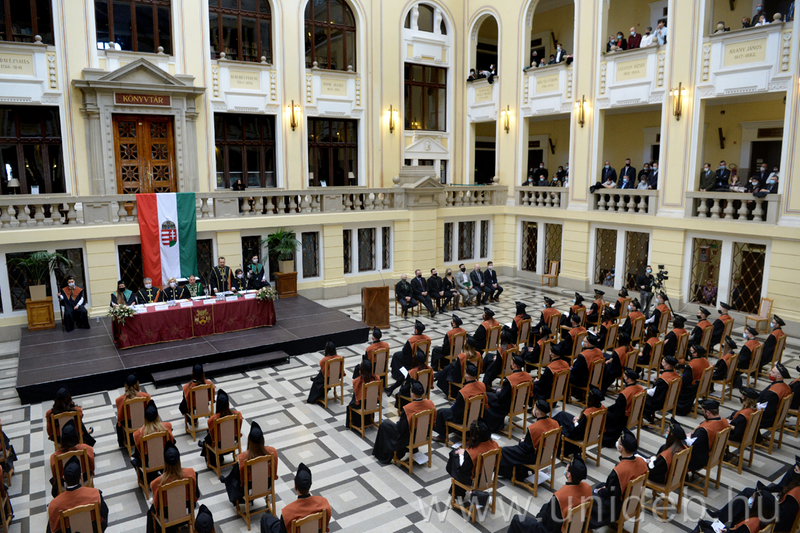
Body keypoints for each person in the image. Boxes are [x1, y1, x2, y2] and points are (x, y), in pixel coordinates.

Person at [507, 456, 592, 533]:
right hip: (577, 527)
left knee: (516, 520)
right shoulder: (587, 488)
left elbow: (548, 527)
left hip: (556, 530)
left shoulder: (560, 497)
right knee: (545, 507)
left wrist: (540, 519)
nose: (566, 468)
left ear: (569, 474)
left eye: (567, 467)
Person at [591, 428, 648, 528]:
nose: (617, 442)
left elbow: (612, 494)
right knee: (601, 485)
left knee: (589, 497)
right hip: (633, 501)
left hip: (618, 507)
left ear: (621, 448)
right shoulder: (642, 462)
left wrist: (601, 491)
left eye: (618, 441)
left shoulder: (619, 471)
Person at [372, 380, 435, 464]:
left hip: (409, 437)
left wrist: (398, 424)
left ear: (412, 393)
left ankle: (382, 454)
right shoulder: (430, 404)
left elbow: (401, 429)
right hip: (424, 434)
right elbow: (434, 420)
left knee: (384, 425)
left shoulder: (408, 408)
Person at [260, 463, 332, 533]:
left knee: (265, 518)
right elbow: (325, 525)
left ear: (295, 486)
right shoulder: (324, 503)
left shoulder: (287, 512)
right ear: (311, 483)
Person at [498, 400, 559, 479]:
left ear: (537, 413)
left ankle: (514, 474)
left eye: (534, 408)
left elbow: (526, 448)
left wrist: (522, 442)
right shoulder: (555, 423)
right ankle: (521, 472)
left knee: (505, 451)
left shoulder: (533, 429)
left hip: (534, 457)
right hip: (547, 455)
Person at [47, 456, 109, 533]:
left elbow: (52, 530)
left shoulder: (54, 505)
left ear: (64, 478)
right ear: (81, 476)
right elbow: (103, 521)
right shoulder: (95, 495)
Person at [223, 422, 278, 505]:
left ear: (249, 441)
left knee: (234, 480)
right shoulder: (272, 452)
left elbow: (241, 480)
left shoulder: (243, 457)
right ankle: (227, 479)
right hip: (267, 484)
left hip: (250, 488)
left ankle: (227, 480)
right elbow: (274, 472)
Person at [147, 443, 198, 533]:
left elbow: (156, 505)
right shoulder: (190, 474)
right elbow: (196, 496)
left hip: (167, 515)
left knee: (151, 511)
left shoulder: (157, 482)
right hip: (186, 510)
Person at [445, 420, 498, 506]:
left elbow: (464, 471)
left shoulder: (472, 453)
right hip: (487, 476)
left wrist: (462, 454)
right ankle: (457, 491)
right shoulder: (495, 445)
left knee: (454, 455)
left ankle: (457, 492)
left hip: (474, 480)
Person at [433, 362, 486, 442]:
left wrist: (451, 408)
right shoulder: (482, 385)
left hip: (464, 418)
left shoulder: (463, 392)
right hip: (477, 415)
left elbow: (456, 411)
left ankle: (442, 436)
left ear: (467, 376)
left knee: (441, 412)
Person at [553, 387, 606, 458]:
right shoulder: (602, 408)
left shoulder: (588, 413)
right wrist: (579, 419)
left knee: (561, 425)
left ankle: (564, 451)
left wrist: (575, 422)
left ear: (592, 400)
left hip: (581, 434)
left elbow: (577, 430)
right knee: (562, 414)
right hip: (591, 433)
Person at [484, 355, 532, 432]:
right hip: (521, 403)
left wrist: (498, 391)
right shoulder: (528, 376)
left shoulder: (510, 380)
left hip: (508, 405)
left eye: (512, 363)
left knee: (486, 396)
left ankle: (492, 425)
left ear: (514, 366)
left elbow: (502, 397)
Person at [694, 488, 776, 533]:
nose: (750, 499)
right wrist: (727, 530)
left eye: (753, 498)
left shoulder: (750, 523)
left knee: (701, 527)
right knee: (705, 523)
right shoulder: (764, 519)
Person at [49, 421, 95, 498]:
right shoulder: (88, 449)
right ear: (76, 436)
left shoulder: (54, 457)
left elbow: (55, 477)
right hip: (84, 477)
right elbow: (92, 468)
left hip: (65, 481)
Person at [199, 389, 243, 466]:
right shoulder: (237, 415)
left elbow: (212, 437)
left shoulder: (213, 419)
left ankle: (212, 458)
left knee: (208, 437)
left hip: (219, 446)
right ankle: (204, 444)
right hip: (232, 443)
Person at [602, 369, 645, 447]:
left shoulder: (625, 394)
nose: (623, 378)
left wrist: (607, 411)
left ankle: (606, 438)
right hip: (634, 415)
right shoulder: (640, 389)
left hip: (624, 418)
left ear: (629, 379)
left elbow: (616, 414)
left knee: (605, 415)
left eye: (625, 377)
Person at [131, 401, 175, 475]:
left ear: (145, 417)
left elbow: (139, 453)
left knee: (135, 460)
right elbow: (172, 443)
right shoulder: (167, 427)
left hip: (149, 463)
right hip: (165, 459)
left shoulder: (138, 433)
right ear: (157, 415)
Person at [686, 400, 730, 472]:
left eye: (703, 412)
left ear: (708, 413)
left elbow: (693, 445)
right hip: (716, 454)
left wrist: (688, 437)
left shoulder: (704, 429)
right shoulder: (724, 421)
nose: (703, 414)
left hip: (702, 459)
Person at [388, 320, 430, 394]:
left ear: (416, 330)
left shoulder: (411, 340)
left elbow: (405, 351)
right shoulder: (427, 338)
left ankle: (397, 374)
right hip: (422, 357)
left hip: (412, 358)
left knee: (396, 355)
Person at [643, 356, 690, 422]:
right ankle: (648, 414)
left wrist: (646, 391)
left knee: (642, 396)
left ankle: (645, 415)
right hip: (671, 401)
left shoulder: (663, 379)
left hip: (660, 403)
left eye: (663, 362)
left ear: (667, 366)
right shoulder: (677, 376)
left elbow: (655, 394)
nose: (661, 363)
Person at [647, 419, 688, 484]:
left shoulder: (666, 455)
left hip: (666, 480)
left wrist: (650, 462)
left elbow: (654, 472)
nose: (666, 433)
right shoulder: (685, 448)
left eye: (667, 431)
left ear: (671, 435)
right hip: (677, 477)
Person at [115, 373, 151, 447]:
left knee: (119, 424)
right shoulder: (146, 396)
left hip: (130, 424)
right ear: (137, 384)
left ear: (126, 385)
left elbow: (120, 417)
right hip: (144, 421)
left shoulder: (120, 400)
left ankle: (126, 442)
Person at [758, 363, 792, 432]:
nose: (770, 373)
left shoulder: (773, 393)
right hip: (779, 416)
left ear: (779, 376)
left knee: (744, 419)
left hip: (769, 420)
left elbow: (767, 411)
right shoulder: (787, 387)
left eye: (773, 372)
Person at [347, 359, 380, 429]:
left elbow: (356, 395)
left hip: (362, 405)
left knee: (350, 405)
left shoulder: (358, 380)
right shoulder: (377, 378)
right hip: (373, 402)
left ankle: (355, 424)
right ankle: (369, 420)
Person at [569, 333, 604, 398]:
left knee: (566, 374)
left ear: (588, 344)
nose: (582, 342)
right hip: (596, 378)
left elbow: (575, 371)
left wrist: (571, 369)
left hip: (584, 381)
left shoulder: (583, 356)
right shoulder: (599, 351)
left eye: (584, 341)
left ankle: (568, 395)